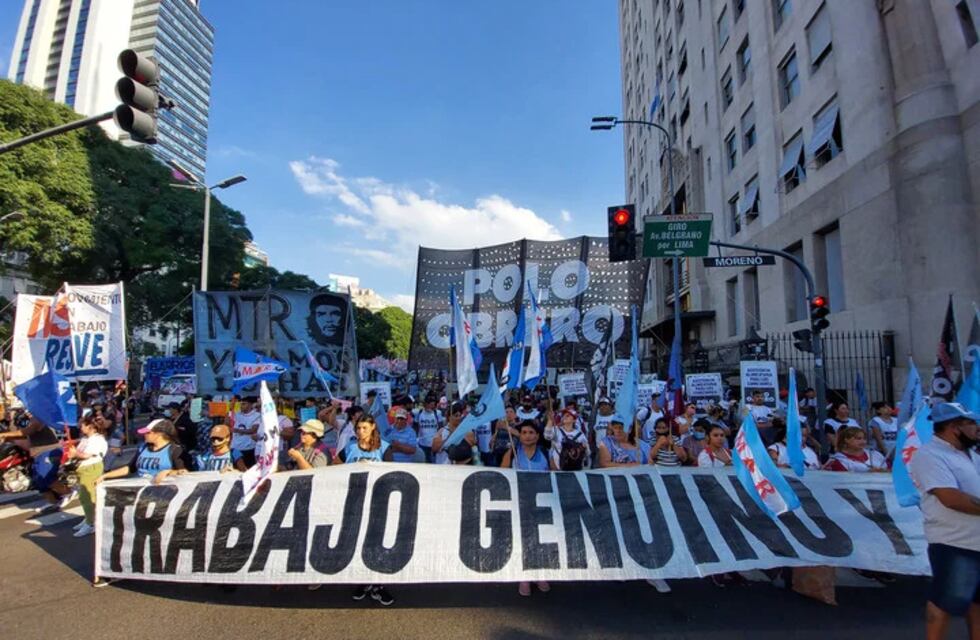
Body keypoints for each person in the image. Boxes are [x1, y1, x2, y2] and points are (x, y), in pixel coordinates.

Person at [907, 402, 980, 640]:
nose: (977, 427)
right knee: (945, 603)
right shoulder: (930, 455)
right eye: (971, 423)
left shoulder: (971, 454)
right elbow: (950, 498)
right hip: (954, 543)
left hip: (975, 541)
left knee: (977, 603)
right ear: (953, 427)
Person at [340, 414, 395, 606]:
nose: (360, 432)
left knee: (376, 542)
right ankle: (363, 581)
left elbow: (391, 473)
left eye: (364, 428)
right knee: (357, 541)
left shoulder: (385, 447)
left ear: (373, 428)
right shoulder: (350, 447)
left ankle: (379, 584)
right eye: (358, 428)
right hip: (355, 500)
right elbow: (337, 467)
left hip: (378, 501)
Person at [500, 419, 552, 597]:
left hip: (543, 502)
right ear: (519, 436)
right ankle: (524, 576)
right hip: (520, 502)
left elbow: (556, 474)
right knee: (523, 540)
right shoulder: (512, 453)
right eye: (524, 432)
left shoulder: (546, 452)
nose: (527, 436)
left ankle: (541, 573)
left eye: (531, 432)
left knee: (542, 540)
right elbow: (501, 473)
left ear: (538, 436)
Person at [97, 419, 187, 485]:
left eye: (148, 433)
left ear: (159, 434)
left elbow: (185, 473)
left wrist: (168, 472)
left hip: (165, 495)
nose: (144, 435)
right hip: (142, 494)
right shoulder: (143, 447)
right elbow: (130, 468)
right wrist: (105, 476)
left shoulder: (175, 450)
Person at [823, 427, 888, 472]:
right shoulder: (838, 461)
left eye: (864, 439)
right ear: (846, 440)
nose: (863, 442)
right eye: (858, 439)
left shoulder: (875, 454)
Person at [414, 394, 444, 463]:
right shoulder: (419, 413)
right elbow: (415, 427)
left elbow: (441, 428)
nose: (431, 407)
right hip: (422, 444)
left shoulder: (437, 413)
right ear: (425, 404)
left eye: (433, 405)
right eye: (430, 404)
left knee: (434, 463)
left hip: (434, 444)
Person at [231, 397, 260, 467]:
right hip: (236, 447)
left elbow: (253, 430)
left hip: (249, 448)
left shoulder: (257, 415)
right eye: (240, 404)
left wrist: (237, 430)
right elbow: (227, 423)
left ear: (250, 405)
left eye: (244, 404)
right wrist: (230, 409)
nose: (241, 406)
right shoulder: (237, 414)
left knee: (249, 469)